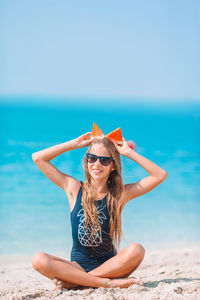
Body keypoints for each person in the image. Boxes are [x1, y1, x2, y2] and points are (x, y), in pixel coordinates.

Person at [31, 131, 168, 290]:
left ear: (113, 165)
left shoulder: (119, 195)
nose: (97, 164)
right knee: (39, 259)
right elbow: (38, 158)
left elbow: (159, 175)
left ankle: (80, 282)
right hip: (77, 268)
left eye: (104, 160)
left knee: (137, 249)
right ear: (86, 161)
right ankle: (103, 283)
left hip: (111, 267)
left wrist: (128, 152)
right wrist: (73, 144)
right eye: (92, 158)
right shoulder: (74, 189)